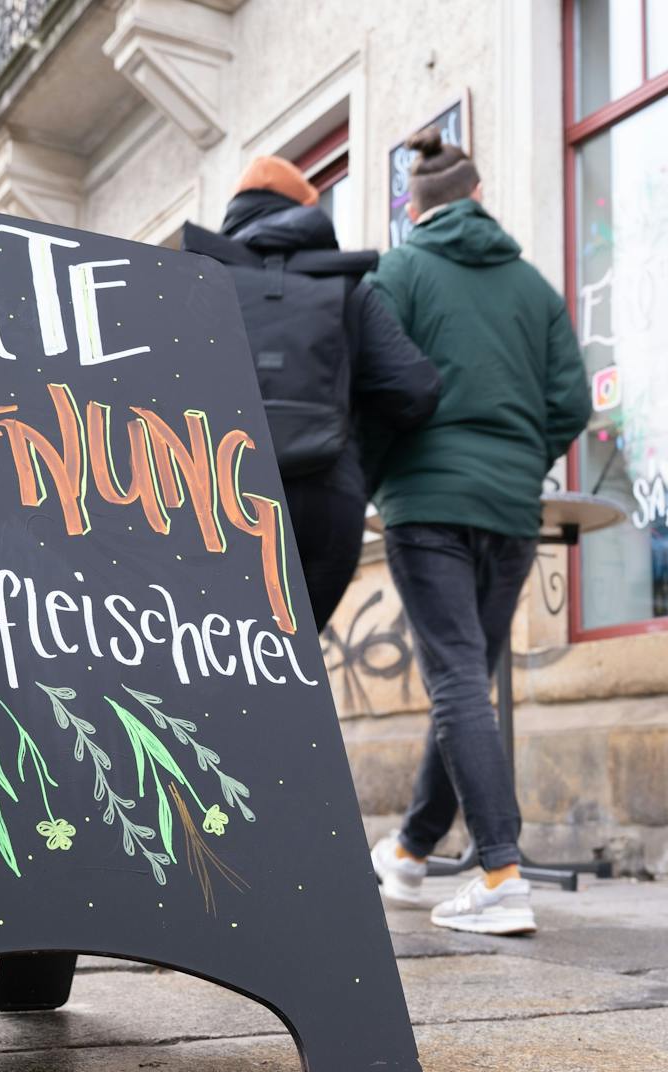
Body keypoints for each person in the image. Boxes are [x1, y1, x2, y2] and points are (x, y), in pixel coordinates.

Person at [364, 131, 591, 936]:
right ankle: (414, 849)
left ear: (413, 206)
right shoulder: (533, 288)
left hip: (427, 500)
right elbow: (572, 405)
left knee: (458, 680)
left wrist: (382, 470)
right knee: (468, 680)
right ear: (480, 191)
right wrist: (521, 457)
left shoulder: (399, 272)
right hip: (509, 510)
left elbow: (377, 382)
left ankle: (500, 873)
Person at [182, 156, 441, 629]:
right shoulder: (348, 290)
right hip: (325, 500)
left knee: (214, 672)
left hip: (216, 499)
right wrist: (354, 458)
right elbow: (415, 388)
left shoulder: (192, 286)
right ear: (307, 214)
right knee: (289, 668)